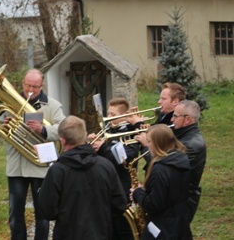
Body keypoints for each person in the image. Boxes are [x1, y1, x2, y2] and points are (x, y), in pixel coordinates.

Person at [38, 116, 127, 240]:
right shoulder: (106, 166)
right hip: (100, 234)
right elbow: (120, 204)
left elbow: (47, 211)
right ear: (85, 135)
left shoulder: (57, 170)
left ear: (62, 141)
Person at [4, 68, 65, 240]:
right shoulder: (10, 104)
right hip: (17, 167)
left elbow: (64, 128)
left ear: (42, 86)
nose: (30, 90)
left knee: (42, 213)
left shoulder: (52, 105)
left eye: (35, 87)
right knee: (15, 214)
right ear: (22, 84)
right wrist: (5, 127)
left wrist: (44, 129)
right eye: (28, 86)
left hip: (41, 167)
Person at [88, 97, 141, 240]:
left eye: (113, 115)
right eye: (109, 113)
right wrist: (92, 145)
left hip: (122, 185)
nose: (108, 117)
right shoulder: (109, 129)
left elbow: (126, 158)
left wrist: (103, 148)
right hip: (106, 185)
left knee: (123, 229)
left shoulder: (131, 132)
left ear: (123, 115)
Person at [131, 124, 191, 240]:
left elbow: (153, 205)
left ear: (158, 143)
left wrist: (137, 192)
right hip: (179, 225)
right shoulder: (181, 160)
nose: (147, 145)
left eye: (149, 141)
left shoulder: (160, 169)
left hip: (162, 229)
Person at [172, 99, 206, 223]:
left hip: (182, 202)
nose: (172, 119)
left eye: (175, 116)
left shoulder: (191, 144)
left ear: (187, 120)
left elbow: (167, 167)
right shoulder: (183, 135)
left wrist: (147, 146)